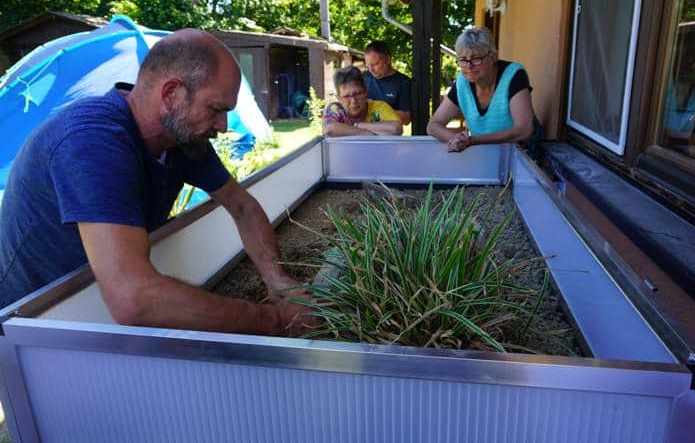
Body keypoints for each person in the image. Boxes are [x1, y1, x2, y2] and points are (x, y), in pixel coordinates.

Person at [0, 29, 315, 336]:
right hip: (31, 323)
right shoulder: (91, 141)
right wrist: (273, 320)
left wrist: (279, 283)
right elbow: (134, 299)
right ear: (170, 94)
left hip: (99, 303)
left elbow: (243, 207)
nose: (222, 126)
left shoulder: (182, 138)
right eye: (216, 109)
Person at [427, 27, 540, 153]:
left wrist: (474, 140)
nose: (469, 66)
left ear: (492, 57)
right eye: (463, 60)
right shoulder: (462, 83)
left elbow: (523, 130)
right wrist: (456, 139)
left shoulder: (513, 75)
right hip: (486, 157)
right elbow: (433, 125)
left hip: (522, 158)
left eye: (476, 58)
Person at [322, 66, 402, 137]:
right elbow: (329, 129)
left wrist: (358, 125)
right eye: (346, 96)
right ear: (338, 98)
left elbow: (396, 129)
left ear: (365, 92)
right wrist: (369, 135)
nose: (353, 101)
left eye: (357, 94)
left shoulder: (380, 107)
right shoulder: (335, 108)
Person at [363, 41, 412, 126]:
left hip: (389, 135)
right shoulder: (364, 77)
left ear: (388, 59)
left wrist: (376, 110)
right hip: (362, 133)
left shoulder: (404, 82)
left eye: (375, 64)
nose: (371, 70)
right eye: (368, 65)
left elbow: (406, 119)